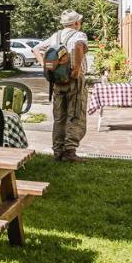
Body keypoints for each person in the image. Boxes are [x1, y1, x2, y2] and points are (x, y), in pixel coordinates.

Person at [35, 10, 90, 162]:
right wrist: (77, 69)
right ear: (77, 23)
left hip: (57, 81)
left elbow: (36, 49)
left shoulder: (55, 36)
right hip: (74, 80)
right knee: (75, 114)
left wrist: (44, 66)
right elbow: (79, 47)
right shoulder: (79, 35)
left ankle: (57, 151)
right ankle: (70, 152)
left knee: (59, 117)